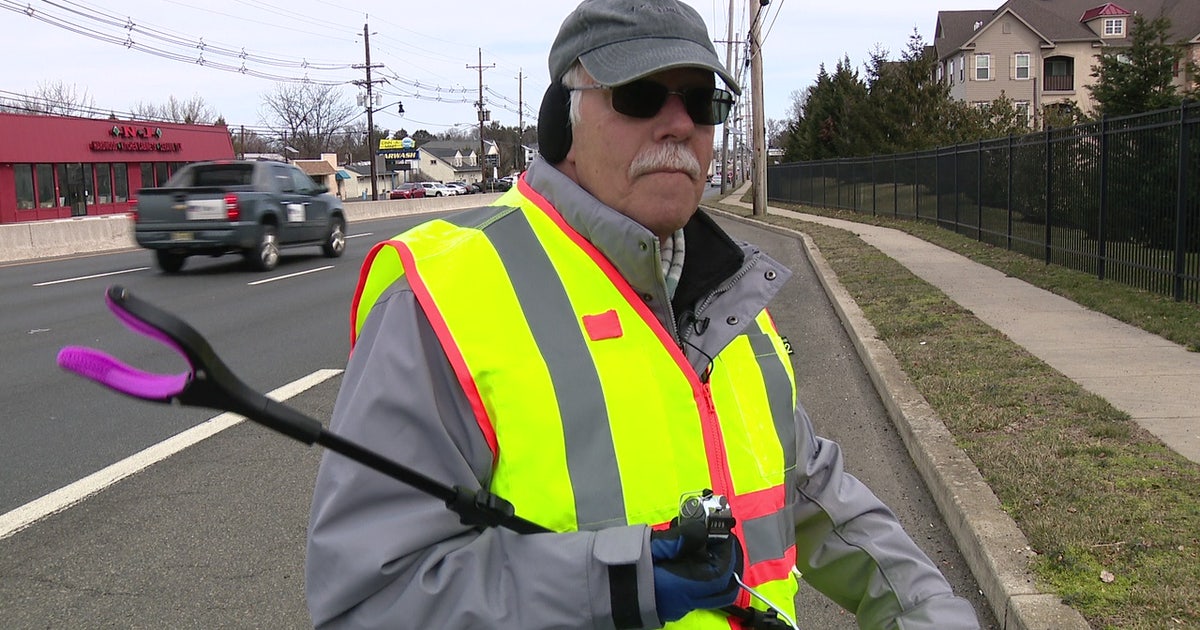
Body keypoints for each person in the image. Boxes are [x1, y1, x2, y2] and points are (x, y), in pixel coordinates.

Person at [306, 0, 981, 628]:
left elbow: (810, 489)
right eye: (638, 95)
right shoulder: (447, 298)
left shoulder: (736, 300)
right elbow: (372, 596)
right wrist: (612, 586)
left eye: (703, 101)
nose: (680, 122)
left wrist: (931, 610)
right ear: (559, 122)